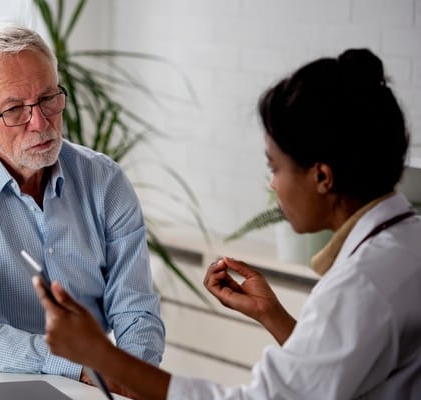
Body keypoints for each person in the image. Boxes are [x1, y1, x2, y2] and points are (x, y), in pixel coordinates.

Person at [33, 48, 421, 399]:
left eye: (276, 167)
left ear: (322, 177)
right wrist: (273, 316)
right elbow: (326, 373)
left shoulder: (362, 286)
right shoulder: (405, 243)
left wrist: (102, 356)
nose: (272, 184)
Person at [0, 24, 165, 388]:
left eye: (47, 99)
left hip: (93, 387)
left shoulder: (105, 180)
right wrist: (80, 366)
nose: (39, 122)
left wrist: (130, 380)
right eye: (14, 110)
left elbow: (137, 312)